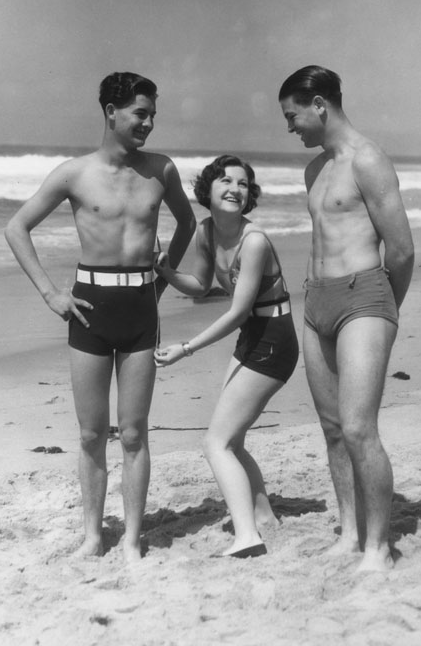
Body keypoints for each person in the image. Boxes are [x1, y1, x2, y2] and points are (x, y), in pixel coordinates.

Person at [5, 71, 196, 563]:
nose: (149, 123)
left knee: (134, 432)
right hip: (89, 309)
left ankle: (132, 538)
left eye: (153, 114)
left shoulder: (162, 169)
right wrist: (51, 294)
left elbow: (188, 221)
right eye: (140, 113)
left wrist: (164, 277)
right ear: (111, 112)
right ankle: (92, 534)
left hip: (141, 307)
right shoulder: (75, 173)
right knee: (92, 433)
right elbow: (17, 227)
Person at [278, 66, 414, 572]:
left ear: (319, 104)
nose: (290, 127)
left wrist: (383, 311)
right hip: (316, 302)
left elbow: (400, 249)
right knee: (333, 429)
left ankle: (378, 547)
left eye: (293, 116)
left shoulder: (369, 160)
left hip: (365, 298)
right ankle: (350, 532)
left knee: (359, 428)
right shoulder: (314, 170)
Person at [154, 155, 299, 558]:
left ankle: (248, 537)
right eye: (224, 180)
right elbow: (200, 285)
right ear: (208, 189)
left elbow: (236, 312)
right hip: (255, 335)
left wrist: (185, 349)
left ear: (249, 195)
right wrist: (166, 272)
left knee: (215, 443)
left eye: (242, 183)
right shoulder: (206, 231)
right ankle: (265, 517)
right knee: (231, 438)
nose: (234, 188)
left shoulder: (254, 242)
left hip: (274, 338)